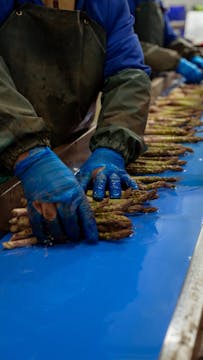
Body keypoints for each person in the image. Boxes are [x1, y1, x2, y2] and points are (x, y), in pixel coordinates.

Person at [0, 0, 151, 245]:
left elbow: (128, 75)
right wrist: (29, 154)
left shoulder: (108, 4)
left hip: (62, 153)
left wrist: (112, 147)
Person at [127, 0, 203, 83]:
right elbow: (127, 45)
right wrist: (175, 61)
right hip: (129, 78)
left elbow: (169, 38)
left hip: (152, 76)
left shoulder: (156, 2)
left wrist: (192, 54)